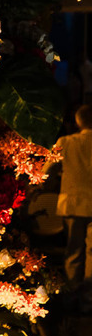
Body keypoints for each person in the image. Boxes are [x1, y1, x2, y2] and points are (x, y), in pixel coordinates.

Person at [55, 104, 92, 299]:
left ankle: (71, 293)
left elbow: (47, 170)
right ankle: (88, 297)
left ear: (78, 122)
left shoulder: (66, 142)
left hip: (72, 203)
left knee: (73, 250)